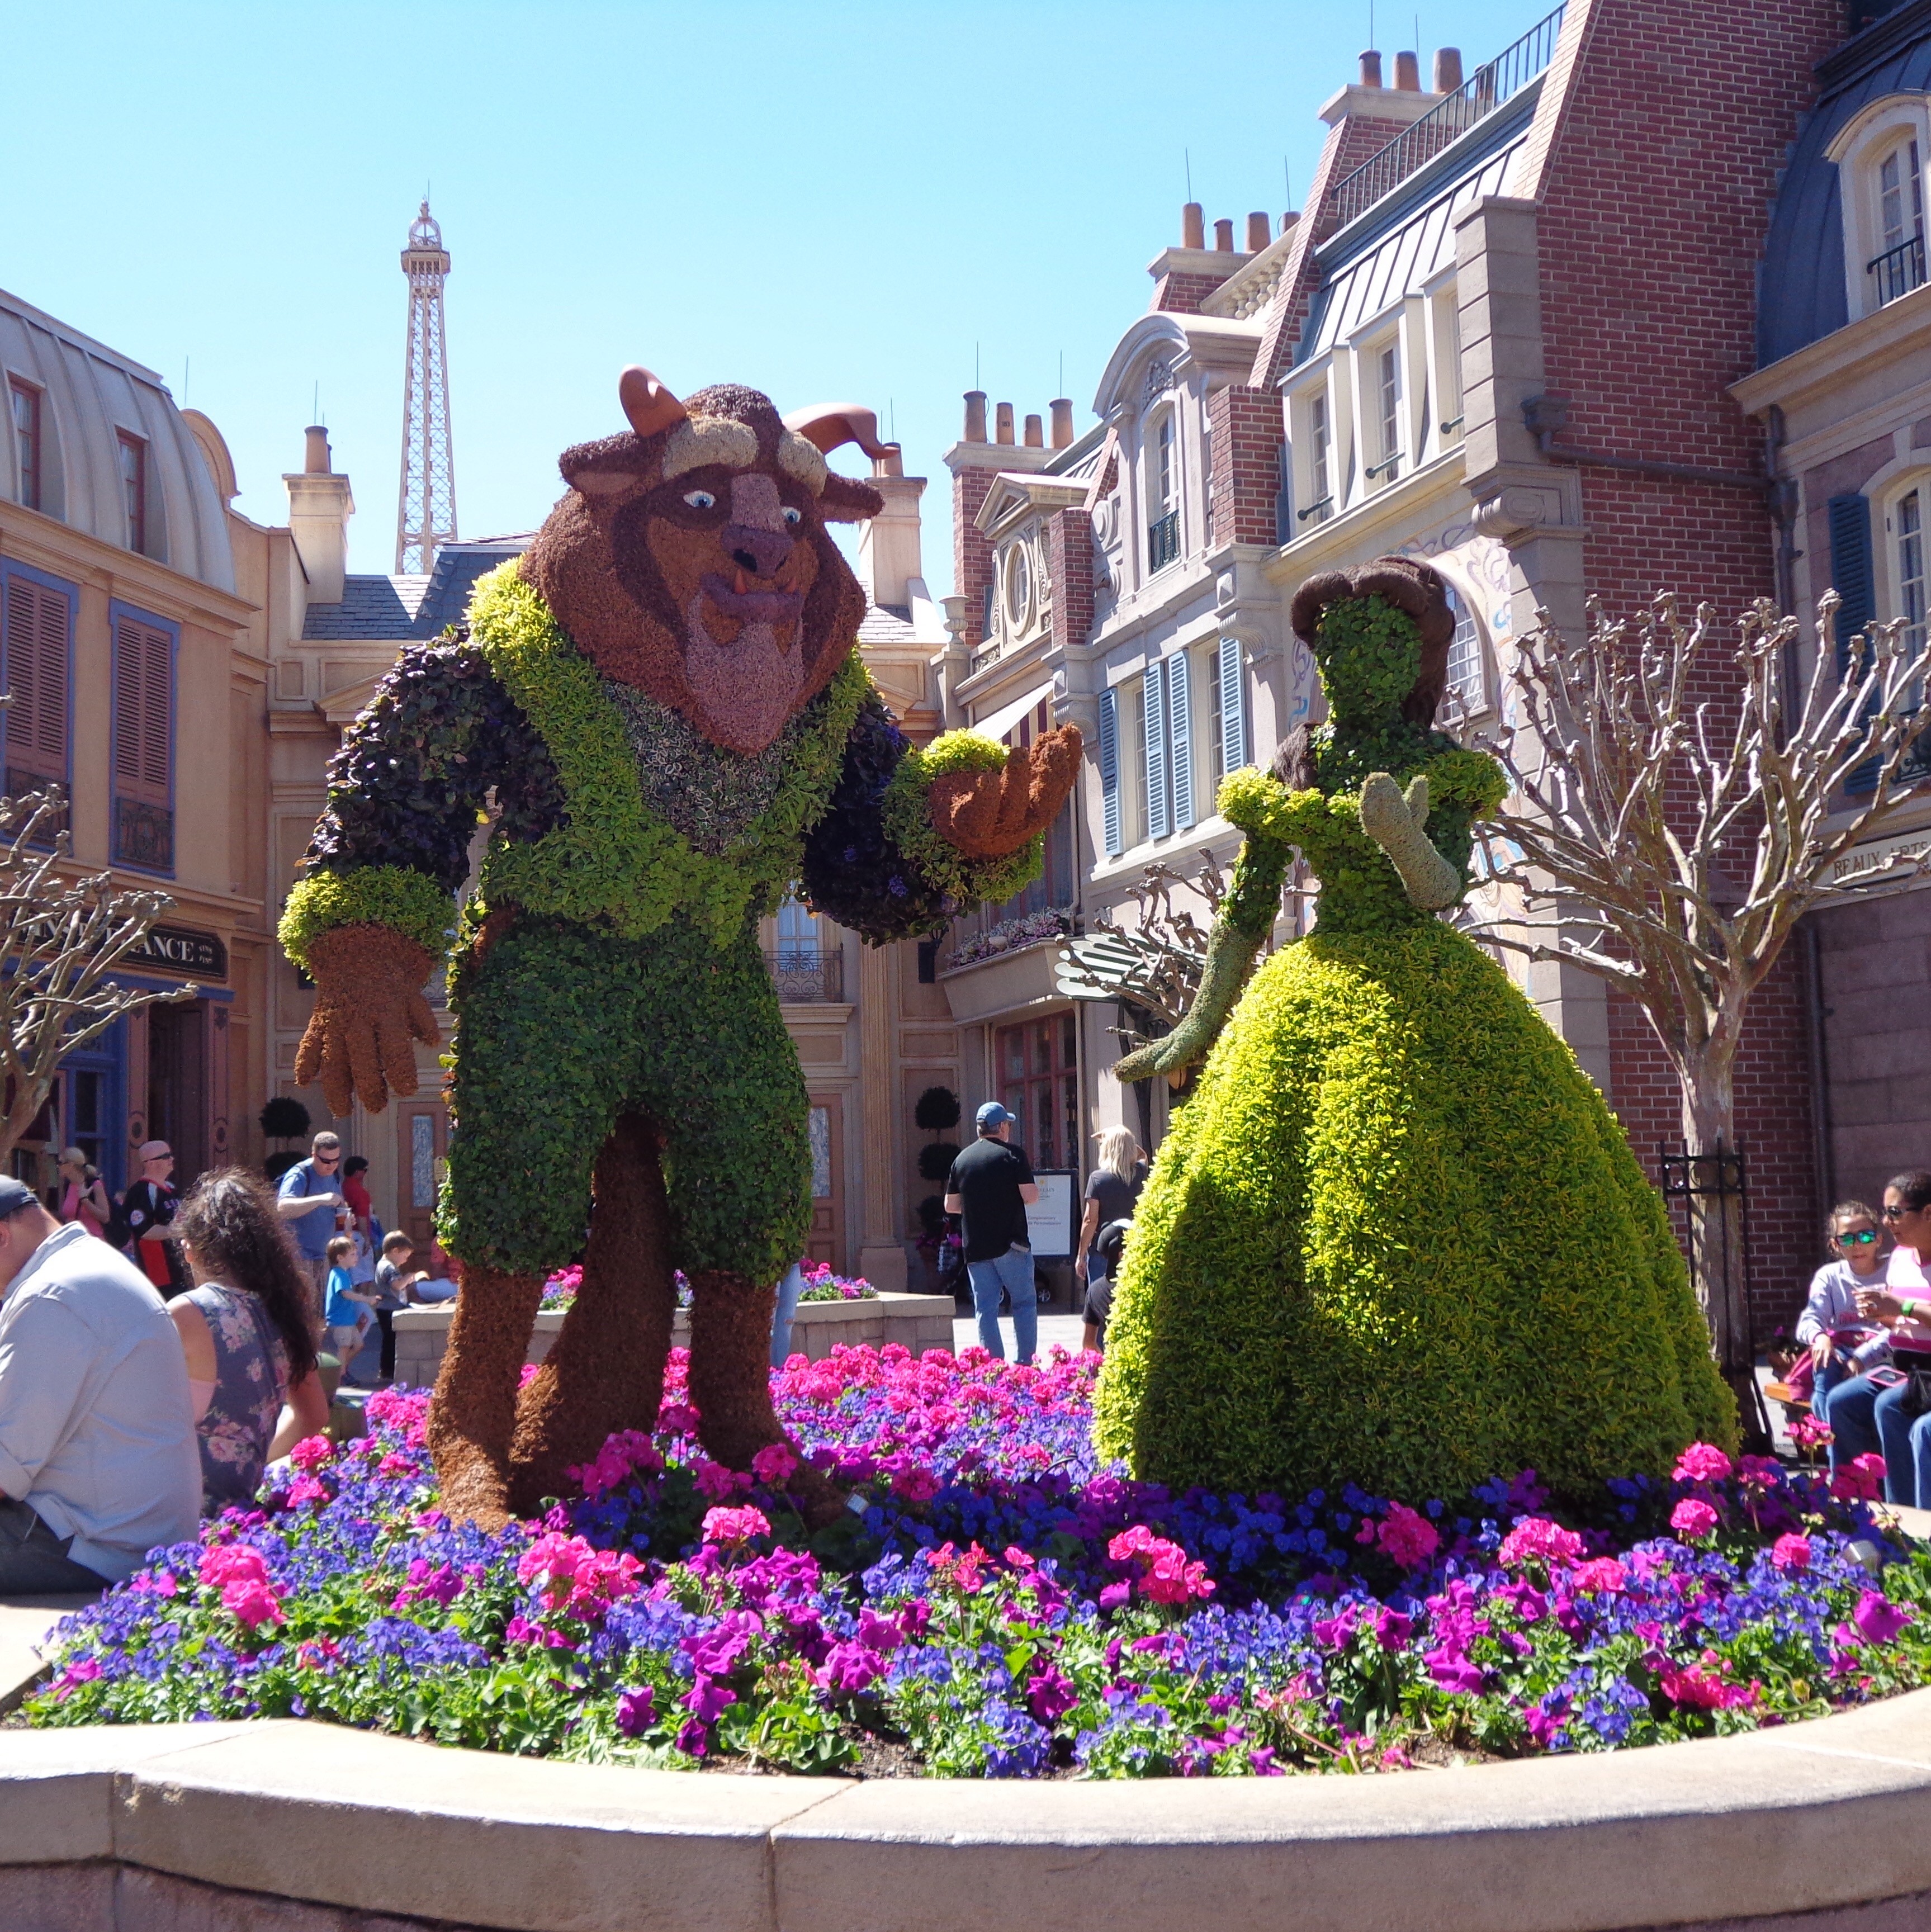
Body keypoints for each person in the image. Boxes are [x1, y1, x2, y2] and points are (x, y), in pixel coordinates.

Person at [0, 1174, 199, 1588]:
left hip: (92, 1546)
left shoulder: (53, 1296)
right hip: (132, 1535)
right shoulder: (84, 1264)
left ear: (2, 1237)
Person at [167, 1169, 330, 1512]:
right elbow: (314, 1415)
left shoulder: (188, 1312)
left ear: (190, 1250)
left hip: (176, 1515)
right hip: (241, 1514)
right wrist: (246, 1456)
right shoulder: (283, 1315)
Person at [1847, 1173, 1931, 1507]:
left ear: (1928, 1213)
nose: (1886, 1222)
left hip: (1926, 1372)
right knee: (1840, 1400)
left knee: (1909, 1420)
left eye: (1895, 1212)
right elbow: (1900, 1321)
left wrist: (1903, 1306)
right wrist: (1881, 1314)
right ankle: (1861, 1506)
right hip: (1905, 1367)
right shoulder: (1899, 1257)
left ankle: (1919, 1525)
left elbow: (1907, 1309)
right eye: (1885, 1212)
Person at [944, 1101, 1040, 1363]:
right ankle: (1025, 1364)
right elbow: (1031, 1197)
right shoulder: (1014, 1155)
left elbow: (951, 1206)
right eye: (1007, 1124)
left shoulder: (961, 1160)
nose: (1009, 1129)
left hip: (976, 1247)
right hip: (1011, 1245)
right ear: (1001, 1128)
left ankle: (994, 1366)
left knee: (985, 1309)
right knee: (1024, 1303)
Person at [1793, 1201, 1891, 1409]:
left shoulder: (1895, 1271)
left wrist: (1862, 1357)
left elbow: (1900, 1329)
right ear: (1835, 1245)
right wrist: (1819, 1337)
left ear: (1879, 1240)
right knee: (1825, 1365)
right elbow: (1811, 1317)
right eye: (1846, 1238)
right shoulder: (1829, 1276)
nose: (1857, 1245)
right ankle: (1826, 1433)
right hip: (1843, 1350)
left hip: (1886, 1352)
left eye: (1865, 1236)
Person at [1076, 1127, 1147, 1353]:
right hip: (1136, 1250)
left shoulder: (1098, 1179)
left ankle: (1104, 1357)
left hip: (1103, 1251)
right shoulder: (1142, 1173)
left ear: (1107, 1149)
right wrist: (1123, 1139)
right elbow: (1143, 1154)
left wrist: (1081, 1255)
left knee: (1100, 1308)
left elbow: (1090, 1219)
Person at [276, 1131, 348, 1317]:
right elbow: (283, 1207)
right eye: (326, 1162)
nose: (331, 1166)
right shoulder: (300, 1174)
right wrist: (319, 1200)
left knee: (321, 1313)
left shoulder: (335, 1175)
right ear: (314, 1155)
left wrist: (346, 1217)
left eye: (336, 1160)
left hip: (323, 1255)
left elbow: (338, 1206)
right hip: (300, 1254)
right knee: (301, 1312)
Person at [119, 1140, 183, 1296]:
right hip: (159, 1273)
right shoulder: (140, 1192)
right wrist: (180, 1230)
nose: (172, 1159)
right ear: (151, 1163)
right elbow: (144, 1230)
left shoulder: (172, 1188)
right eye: (166, 1156)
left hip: (180, 1268)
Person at [322, 1233, 376, 1372]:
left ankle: (341, 1369)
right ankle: (339, 1376)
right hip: (340, 1321)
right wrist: (366, 1299)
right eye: (352, 1255)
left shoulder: (343, 1273)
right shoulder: (339, 1274)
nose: (356, 1257)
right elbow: (345, 1293)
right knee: (344, 1348)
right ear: (340, 1258)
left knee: (358, 1345)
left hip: (348, 1320)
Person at [56, 1149, 111, 1240]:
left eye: (60, 1163)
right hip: (73, 1242)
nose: (58, 1166)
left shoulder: (94, 1185)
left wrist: (85, 1200)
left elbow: (105, 1217)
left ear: (71, 1165)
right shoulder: (68, 1186)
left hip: (93, 1242)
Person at [770, 1259, 806, 1370]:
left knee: (787, 1322)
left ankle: (779, 1374)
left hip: (792, 1263)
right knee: (769, 1321)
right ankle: (767, 1373)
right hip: (769, 1263)